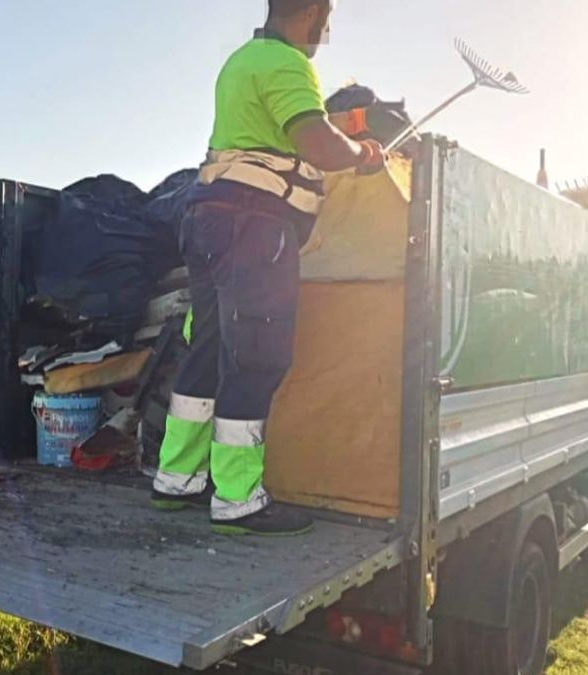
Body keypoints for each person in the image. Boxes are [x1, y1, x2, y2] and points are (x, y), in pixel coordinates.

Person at [151, 0, 386, 536]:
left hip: (207, 218)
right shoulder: (286, 63)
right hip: (254, 226)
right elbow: (318, 143)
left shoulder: (241, 60)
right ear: (312, 12)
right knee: (255, 356)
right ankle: (238, 499)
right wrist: (363, 155)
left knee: (207, 348)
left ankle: (177, 478)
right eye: (326, 21)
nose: (325, 33)